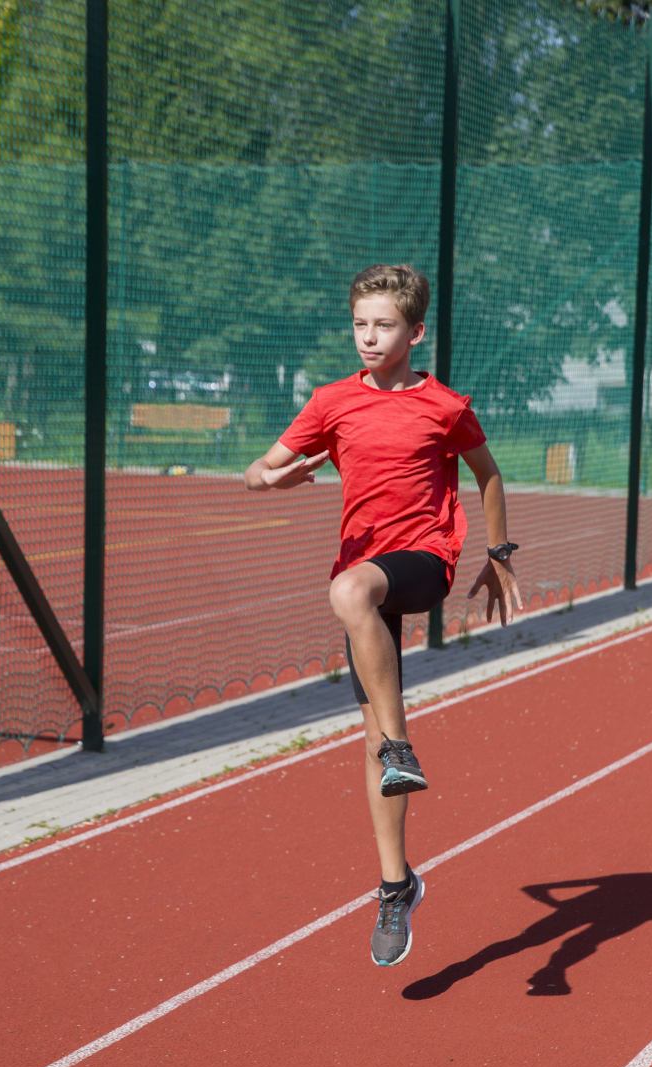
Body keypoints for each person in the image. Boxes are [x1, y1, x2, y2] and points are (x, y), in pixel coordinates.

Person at [244, 263, 522, 966]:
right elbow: (256, 470)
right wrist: (279, 476)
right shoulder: (331, 401)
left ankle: (401, 749)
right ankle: (397, 885)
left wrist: (499, 555)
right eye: (361, 324)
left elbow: (487, 474)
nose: (369, 337)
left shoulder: (444, 406)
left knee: (346, 596)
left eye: (384, 325)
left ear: (415, 331)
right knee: (371, 735)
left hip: (423, 562)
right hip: (365, 580)